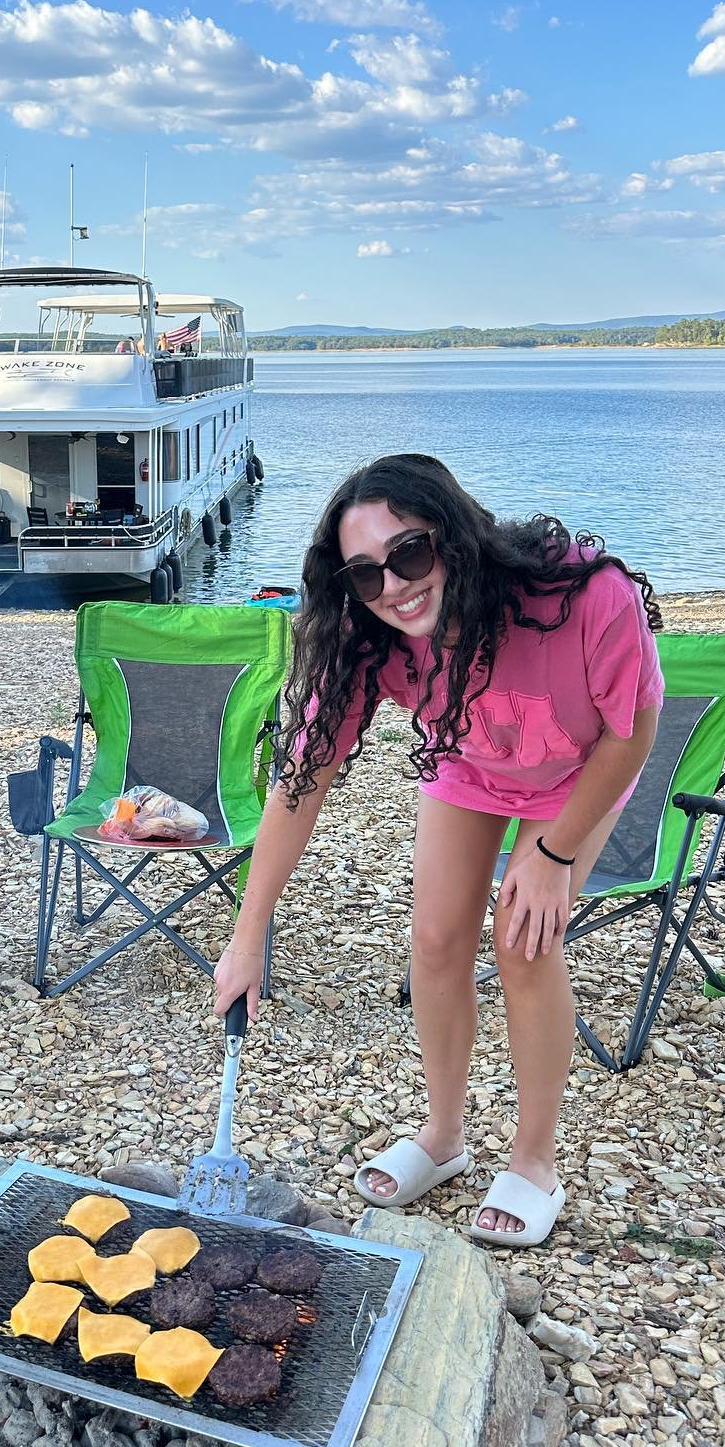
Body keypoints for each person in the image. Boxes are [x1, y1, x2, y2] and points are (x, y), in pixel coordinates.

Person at [212, 454, 663, 1248]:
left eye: (410, 554)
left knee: (523, 942)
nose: (393, 587)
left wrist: (553, 856)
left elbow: (633, 732)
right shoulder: (372, 637)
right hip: (471, 758)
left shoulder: (583, 594)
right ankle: (444, 1137)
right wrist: (247, 939)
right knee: (434, 941)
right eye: (364, 574)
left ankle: (533, 1162)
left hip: (584, 770)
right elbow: (300, 781)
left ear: (453, 535)